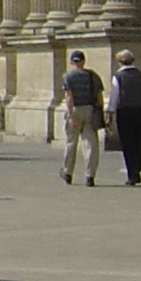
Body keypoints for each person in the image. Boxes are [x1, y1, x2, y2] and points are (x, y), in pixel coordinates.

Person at [60, 50, 106, 186]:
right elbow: (99, 97)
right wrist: (100, 112)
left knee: (71, 142)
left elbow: (69, 97)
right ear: (84, 61)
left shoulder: (68, 76)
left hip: (75, 109)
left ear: (71, 62)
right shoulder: (93, 76)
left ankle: (68, 172)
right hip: (90, 109)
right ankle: (90, 175)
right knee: (91, 143)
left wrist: (70, 115)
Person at [110, 50, 141, 185]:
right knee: (138, 140)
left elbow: (114, 96)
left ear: (120, 62)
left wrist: (110, 112)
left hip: (125, 111)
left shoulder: (118, 76)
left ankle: (132, 173)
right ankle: (137, 166)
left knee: (127, 143)